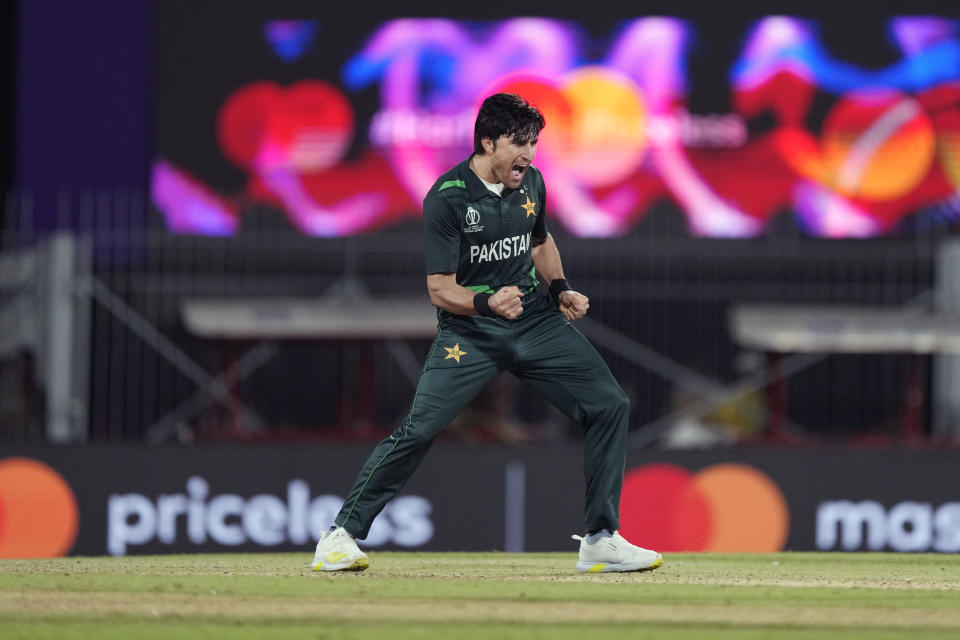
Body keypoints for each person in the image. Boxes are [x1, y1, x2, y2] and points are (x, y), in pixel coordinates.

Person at [313, 93, 662, 573]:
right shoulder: (447, 197)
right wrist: (486, 301)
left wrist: (560, 288)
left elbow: (540, 242)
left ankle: (601, 538)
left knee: (610, 405)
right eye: (519, 142)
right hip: (470, 333)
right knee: (419, 430)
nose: (529, 153)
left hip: (536, 322)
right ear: (487, 141)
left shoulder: (532, 182)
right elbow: (438, 289)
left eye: (534, 142)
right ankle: (340, 536)